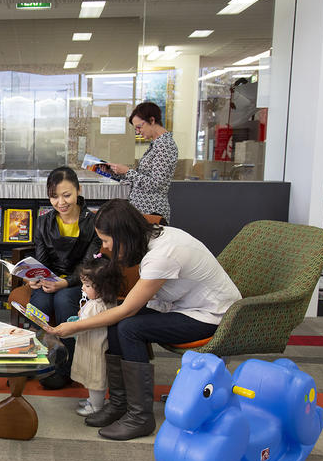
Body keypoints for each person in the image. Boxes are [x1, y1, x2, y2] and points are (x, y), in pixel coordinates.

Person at [44, 199, 241, 441]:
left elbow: (127, 310)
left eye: (106, 241)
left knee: (129, 327)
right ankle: (119, 404)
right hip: (182, 306)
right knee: (117, 323)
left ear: (123, 235)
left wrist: (74, 326)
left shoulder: (163, 254)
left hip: (212, 315)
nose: (104, 247)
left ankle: (140, 417)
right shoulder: (154, 238)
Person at [29, 166, 101, 390]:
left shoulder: (93, 223)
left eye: (67, 195)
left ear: (79, 190)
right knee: (39, 301)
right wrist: (33, 278)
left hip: (81, 281)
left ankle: (67, 367)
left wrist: (65, 282)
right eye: (54, 196)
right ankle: (38, 361)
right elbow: (41, 260)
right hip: (51, 281)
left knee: (63, 300)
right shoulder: (44, 222)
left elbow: (88, 264)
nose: (60, 202)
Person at [102, 102, 178, 223]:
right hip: (142, 211)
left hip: (153, 212)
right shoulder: (156, 144)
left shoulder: (165, 145)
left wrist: (127, 171)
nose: (138, 132)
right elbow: (139, 181)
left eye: (139, 127)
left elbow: (155, 184)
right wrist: (112, 173)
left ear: (152, 120)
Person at [68, 254, 124, 416]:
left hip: (94, 347)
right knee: (93, 377)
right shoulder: (108, 301)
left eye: (87, 285)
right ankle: (93, 401)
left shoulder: (95, 306)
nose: (82, 288)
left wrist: (69, 328)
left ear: (102, 287)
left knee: (94, 378)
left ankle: (96, 406)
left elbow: (82, 327)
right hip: (96, 345)